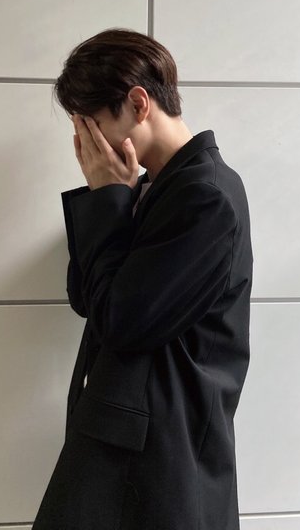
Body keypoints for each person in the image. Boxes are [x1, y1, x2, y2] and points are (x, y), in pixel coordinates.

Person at [32, 28, 253, 530]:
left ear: (138, 103)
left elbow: (122, 322)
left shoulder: (206, 195)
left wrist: (110, 199)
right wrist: (112, 196)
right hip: (131, 443)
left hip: (159, 456)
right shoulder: (153, 187)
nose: (85, 144)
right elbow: (87, 298)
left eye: (91, 125)